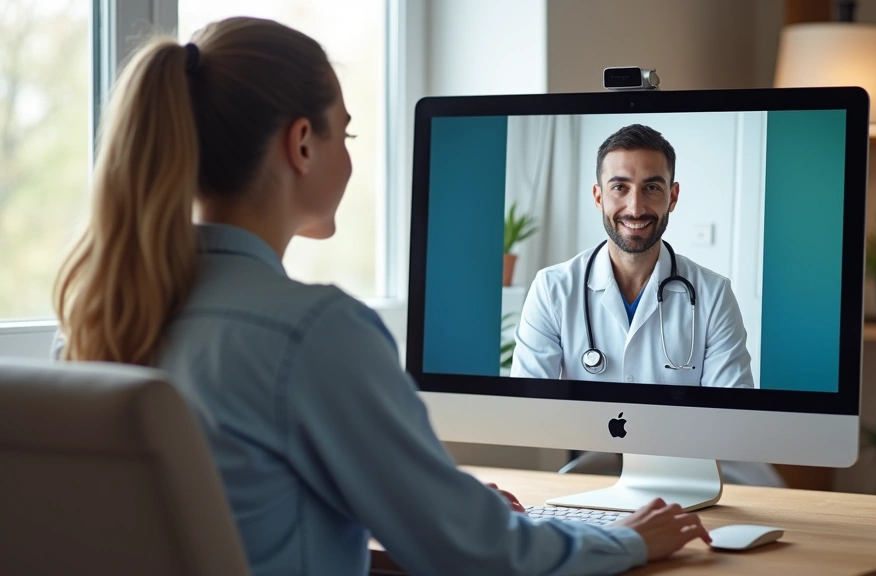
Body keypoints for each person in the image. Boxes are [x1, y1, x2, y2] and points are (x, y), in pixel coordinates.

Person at [52, 17, 712, 576]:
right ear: (302, 144)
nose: (350, 156)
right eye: (347, 133)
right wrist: (628, 538)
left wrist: (448, 502)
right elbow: (473, 552)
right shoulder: (313, 333)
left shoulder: (98, 324)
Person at [511, 124, 755, 388]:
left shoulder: (714, 295)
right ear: (598, 197)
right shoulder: (551, 289)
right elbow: (529, 407)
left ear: (672, 197)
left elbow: (730, 415)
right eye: (619, 187)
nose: (636, 208)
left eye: (651, 188)